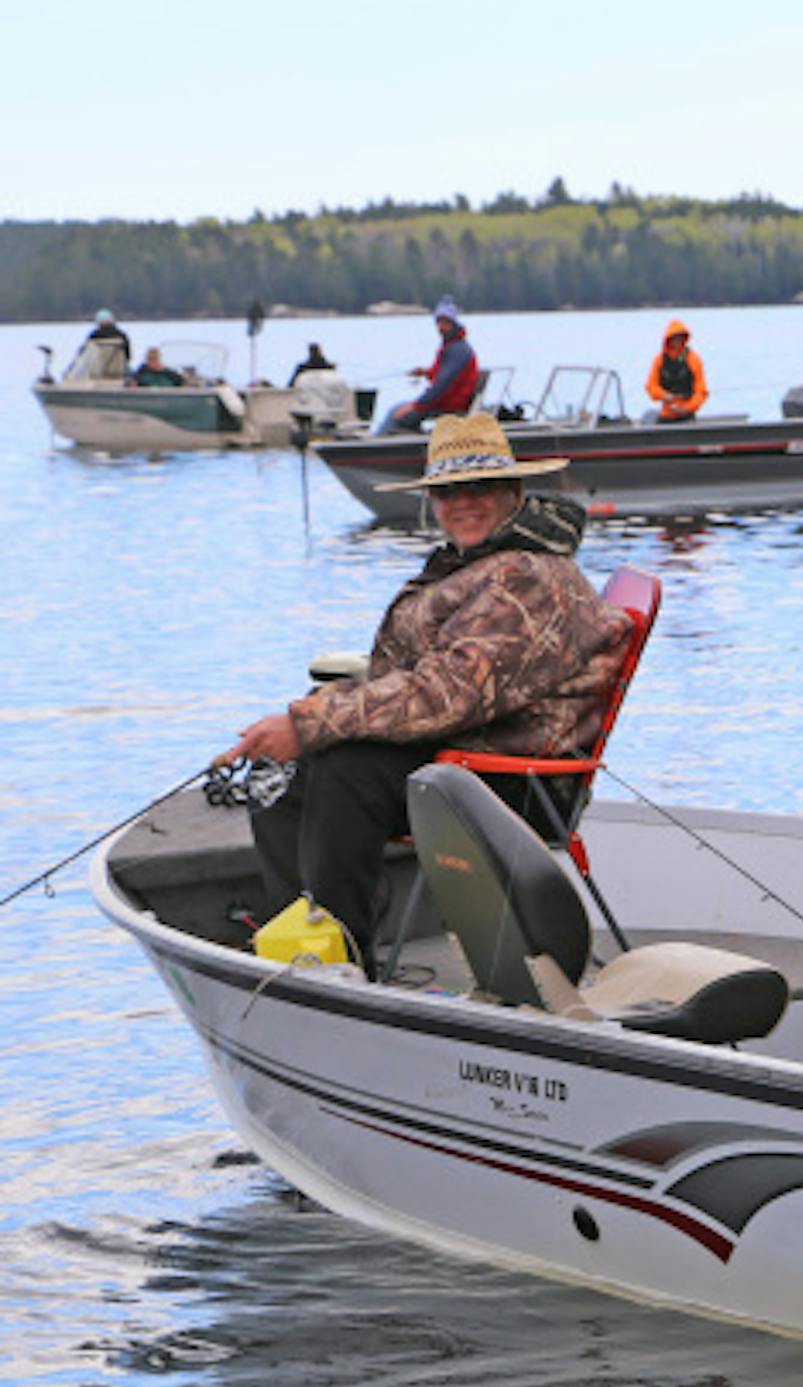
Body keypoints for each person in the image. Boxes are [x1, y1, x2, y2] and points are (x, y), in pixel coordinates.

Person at [217, 413, 631, 977]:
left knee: (347, 770)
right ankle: (301, 931)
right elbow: (439, 678)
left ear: (514, 490)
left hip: (516, 779)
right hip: (465, 751)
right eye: (447, 491)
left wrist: (315, 720)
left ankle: (339, 963)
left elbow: (449, 692)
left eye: (479, 488)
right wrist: (318, 718)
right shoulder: (483, 561)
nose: (462, 502)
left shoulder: (525, 578)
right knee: (281, 773)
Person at [377, 296, 480, 433]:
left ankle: (382, 446)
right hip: (445, 402)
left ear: (454, 324)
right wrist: (426, 372)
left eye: (445, 323)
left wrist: (416, 405)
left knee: (395, 414)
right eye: (438, 323)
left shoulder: (458, 350)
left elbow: (441, 386)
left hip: (450, 405)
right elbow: (444, 375)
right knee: (397, 409)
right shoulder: (452, 346)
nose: (441, 327)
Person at [644, 319, 709, 423]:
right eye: (674, 338)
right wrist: (664, 395)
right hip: (666, 414)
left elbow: (701, 391)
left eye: (680, 337)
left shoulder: (694, 359)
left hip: (687, 415)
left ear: (685, 338)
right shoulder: (659, 360)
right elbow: (651, 386)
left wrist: (688, 408)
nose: (677, 341)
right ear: (668, 339)